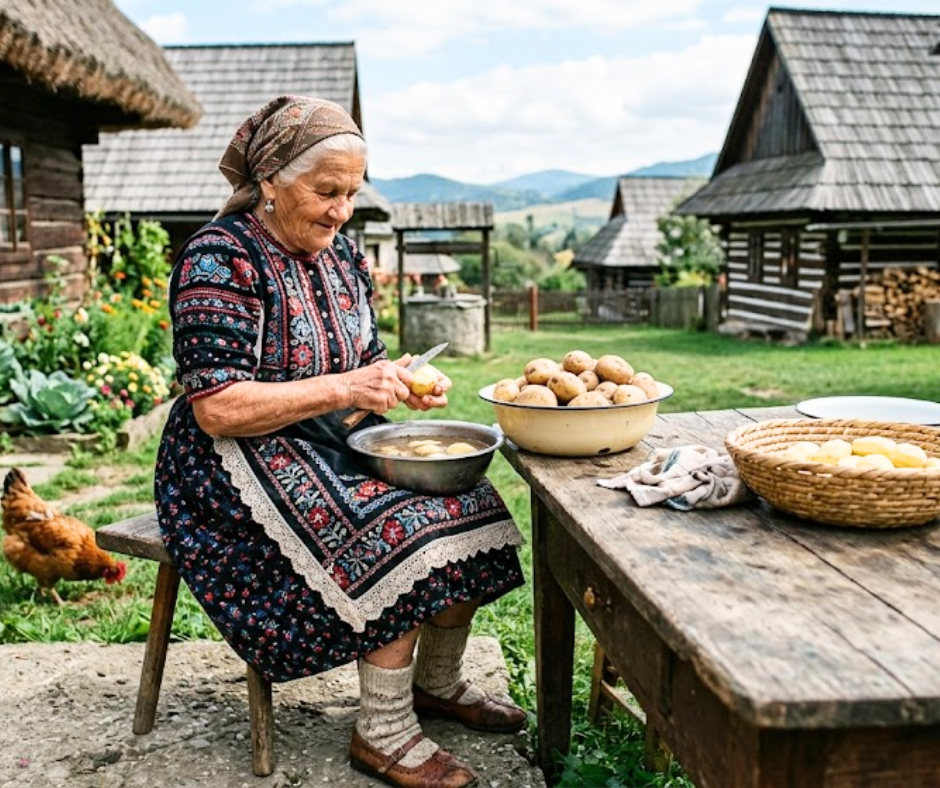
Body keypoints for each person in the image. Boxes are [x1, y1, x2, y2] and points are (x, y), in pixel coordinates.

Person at [154, 95, 525, 788]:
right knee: (398, 528)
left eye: (351, 193)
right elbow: (218, 407)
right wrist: (347, 389)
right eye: (326, 191)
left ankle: (434, 684)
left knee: (473, 505)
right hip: (228, 462)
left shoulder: (342, 254)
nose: (341, 210)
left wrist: (403, 380)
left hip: (331, 437)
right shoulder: (218, 258)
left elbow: (369, 356)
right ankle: (381, 731)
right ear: (269, 180)